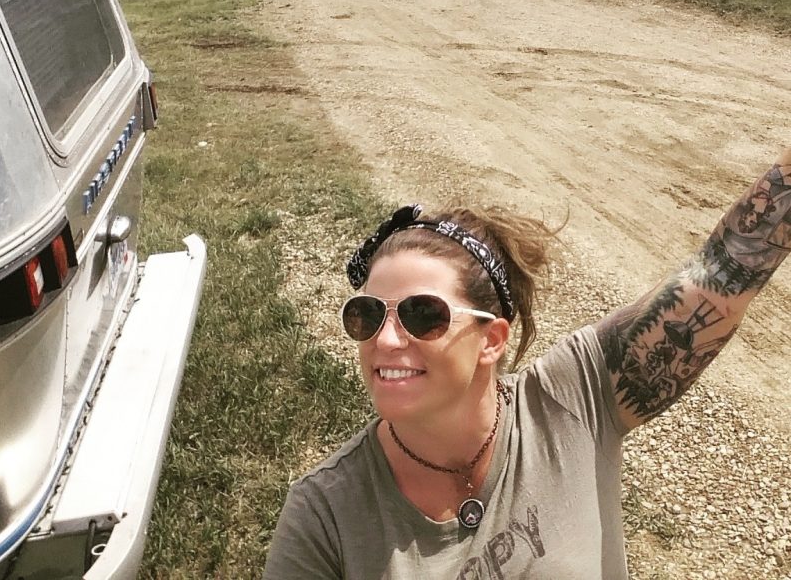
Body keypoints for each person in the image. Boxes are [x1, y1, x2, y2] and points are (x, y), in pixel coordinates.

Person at [263, 151, 791, 579]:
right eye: (367, 314)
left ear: (491, 340)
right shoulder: (323, 514)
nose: (385, 339)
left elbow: (721, 273)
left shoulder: (573, 399)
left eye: (423, 315)